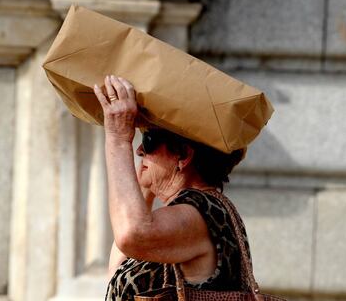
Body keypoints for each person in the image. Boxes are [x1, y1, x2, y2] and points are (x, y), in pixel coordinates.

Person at [93, 75, 251, 301]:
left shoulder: (202, 212)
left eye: (149, 141)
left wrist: (118, 138)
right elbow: (118, 274)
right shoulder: (183, 217)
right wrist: (143, 184)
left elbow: (131, 234)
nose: (139, 150)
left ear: (183, 155)